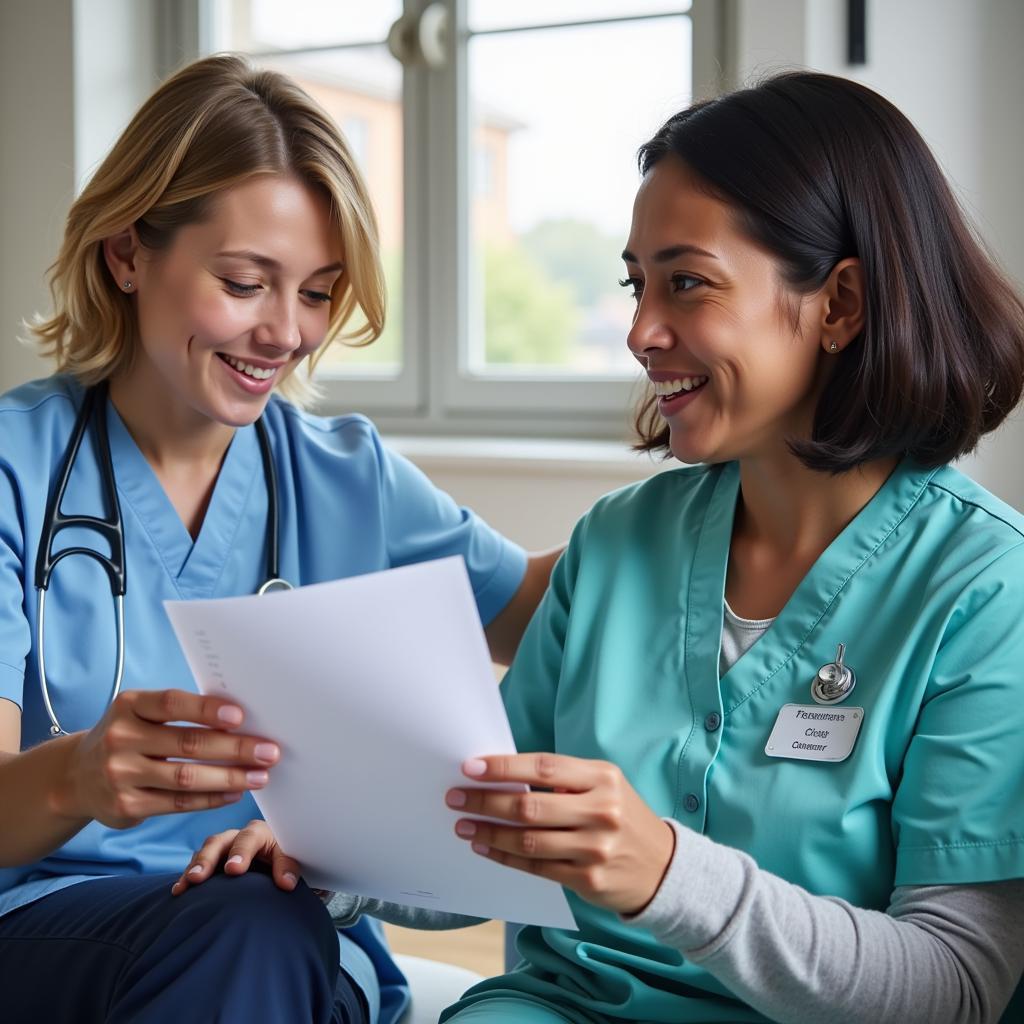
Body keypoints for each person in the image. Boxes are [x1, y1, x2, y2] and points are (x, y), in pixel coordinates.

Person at [183, 72, 1024, 1023]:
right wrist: (336, 860)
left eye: (688, 283)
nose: (640, 331)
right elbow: (485, 831)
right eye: (637, 285)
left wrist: (667, 874)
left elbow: (955, 989)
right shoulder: (618, 544)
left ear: (840, 303)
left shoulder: (986, 593)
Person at [0, 54, 559, 1024]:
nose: (287, 334)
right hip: (50, 926)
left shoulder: (345, 473)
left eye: (316, 292)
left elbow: (541, 607)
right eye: (247, 282)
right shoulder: (15, 464)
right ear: (127, 253)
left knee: (266, 923)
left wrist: (700, 496)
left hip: (289, 936)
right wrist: (81, 772)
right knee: (250, 930)